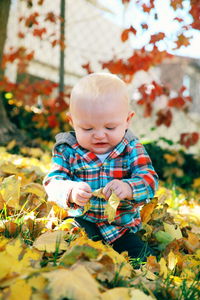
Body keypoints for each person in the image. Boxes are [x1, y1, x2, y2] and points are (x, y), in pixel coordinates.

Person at [43, 72, 158, 263]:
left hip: (120, 228)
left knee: (144, 258)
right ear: (72, 121)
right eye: (87, 129)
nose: (99, 135)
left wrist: (129, 188)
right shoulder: (68, 150)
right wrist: (70, 191)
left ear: (127, 120)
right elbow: (52, 182)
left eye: (110, 128)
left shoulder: (132, 148)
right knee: (69, 241)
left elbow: (149, 180)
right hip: (82, 220)